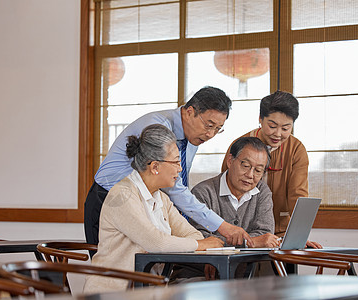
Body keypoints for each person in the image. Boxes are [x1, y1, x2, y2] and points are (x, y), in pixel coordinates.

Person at [85, 86, 254, 255]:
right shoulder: (158, 128)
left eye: (218, 129)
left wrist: (204, 243)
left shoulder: (193, 138)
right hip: (111, 198)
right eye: (209, 125)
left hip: (149, 201)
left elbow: (176, 185)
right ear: (189, 112)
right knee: (116, 263)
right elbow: (175, 190)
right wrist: (221, 227)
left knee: (148, 262)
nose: (210, 134)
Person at [82, 124, 223, 294]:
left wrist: (195, 243)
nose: (180, 169)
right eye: (176, 162)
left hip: (149, 290)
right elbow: (158, 242)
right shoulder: (122, 195)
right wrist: (200, 245)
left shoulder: (161, 197)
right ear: (155, 167)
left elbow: (192, 235)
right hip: (114, 292)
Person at [221, 91, 322, 248]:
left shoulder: (296, 150)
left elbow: (298, 196)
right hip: (240, 231)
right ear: (260, 119)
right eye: (272, 126)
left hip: (279, 232)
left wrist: (298, 235)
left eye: (286, 128)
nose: (278, 134)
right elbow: (224, 189)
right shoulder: (240, 146)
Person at [170, 137, 279, 282]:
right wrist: (250, 242)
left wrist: (225, 246)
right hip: (197, 273)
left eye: (258, 170)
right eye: (245, 166)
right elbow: (200, 238)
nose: (250, 175)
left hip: (241, 277)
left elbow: (265, 233)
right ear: (230, 161)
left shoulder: (262, 191)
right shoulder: (204, 192)